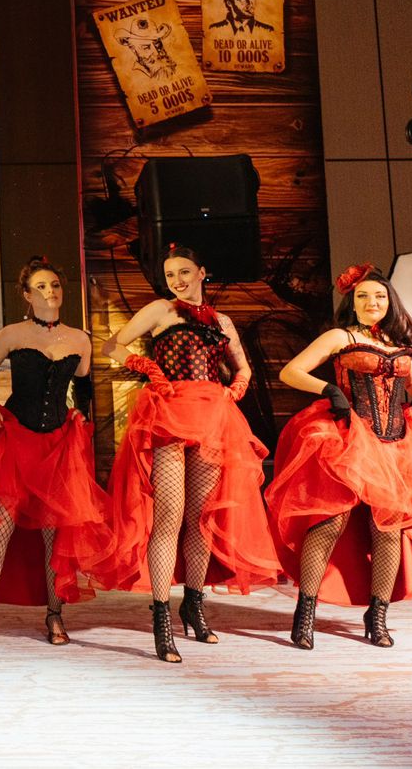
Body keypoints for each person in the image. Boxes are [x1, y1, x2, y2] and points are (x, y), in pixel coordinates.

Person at [97, 245, 278, 663]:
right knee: (169, 515)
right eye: (169, 274)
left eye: (183, 272)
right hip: (169, 413)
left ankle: (193, 606)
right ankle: (161, 617)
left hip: (213, 418)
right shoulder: (161, 310)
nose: (177, 280)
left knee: (201, 518)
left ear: (201, 272)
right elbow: (112, 346)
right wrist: (147, 368)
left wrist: (238, 387)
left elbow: (242, 367)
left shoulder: (222, 321)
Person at [0, 258, 110, 650]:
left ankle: (55, 615)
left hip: (58, 446)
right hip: (15, 441)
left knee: (54, 536)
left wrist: (81, 411)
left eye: (54, 285)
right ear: (26, 294)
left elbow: (84, 384)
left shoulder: (79, 338)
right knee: (0, 530)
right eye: (40, 286)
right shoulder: (11, 334)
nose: (50, 292)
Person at [268, 263, 412, 649]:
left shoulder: (402, 341)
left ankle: (377, 616)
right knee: (328, 524)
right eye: (363, 296)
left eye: (380, 296)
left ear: (391, 301)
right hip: (348, 439)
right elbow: (291, 371)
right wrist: (328, 390)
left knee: (387, 530)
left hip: (395, 445)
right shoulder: (341, 336)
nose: (372, 302)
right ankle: (305, 613)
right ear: (352, 302)